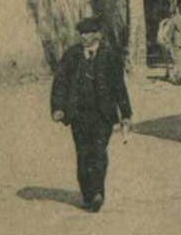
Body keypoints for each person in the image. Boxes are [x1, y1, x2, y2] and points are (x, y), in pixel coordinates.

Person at [49, 16, 129, 212]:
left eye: (88, 33)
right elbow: (60, 83)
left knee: (99, 153)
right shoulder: (72, 56)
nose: (84, 37)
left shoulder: (110, 55)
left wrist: (125, 113)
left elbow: (119, 86)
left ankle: (97, 193)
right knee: (83, 155)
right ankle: (87, 193)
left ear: (98, 35)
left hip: (103, 115)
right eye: (82, 34)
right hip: (78, 115)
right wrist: (58, 107)